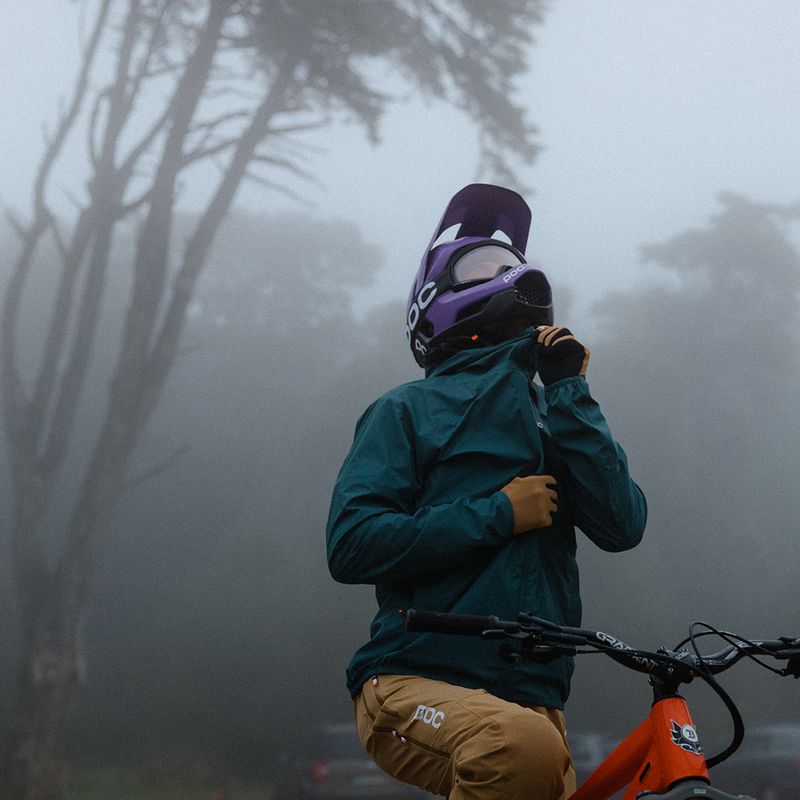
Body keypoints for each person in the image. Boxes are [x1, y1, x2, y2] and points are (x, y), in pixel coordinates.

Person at [326, 183, 647, 799]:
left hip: (535, 702)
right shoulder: (406, 410)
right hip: (413, 682)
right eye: (486, 267)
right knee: (515, 745)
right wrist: (497, 513)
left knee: (529, 743)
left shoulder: (556, 415)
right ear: (434, 299)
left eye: (515, 266)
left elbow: (623, 526)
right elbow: (352, 546)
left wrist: (571, 395)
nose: (514, 275)